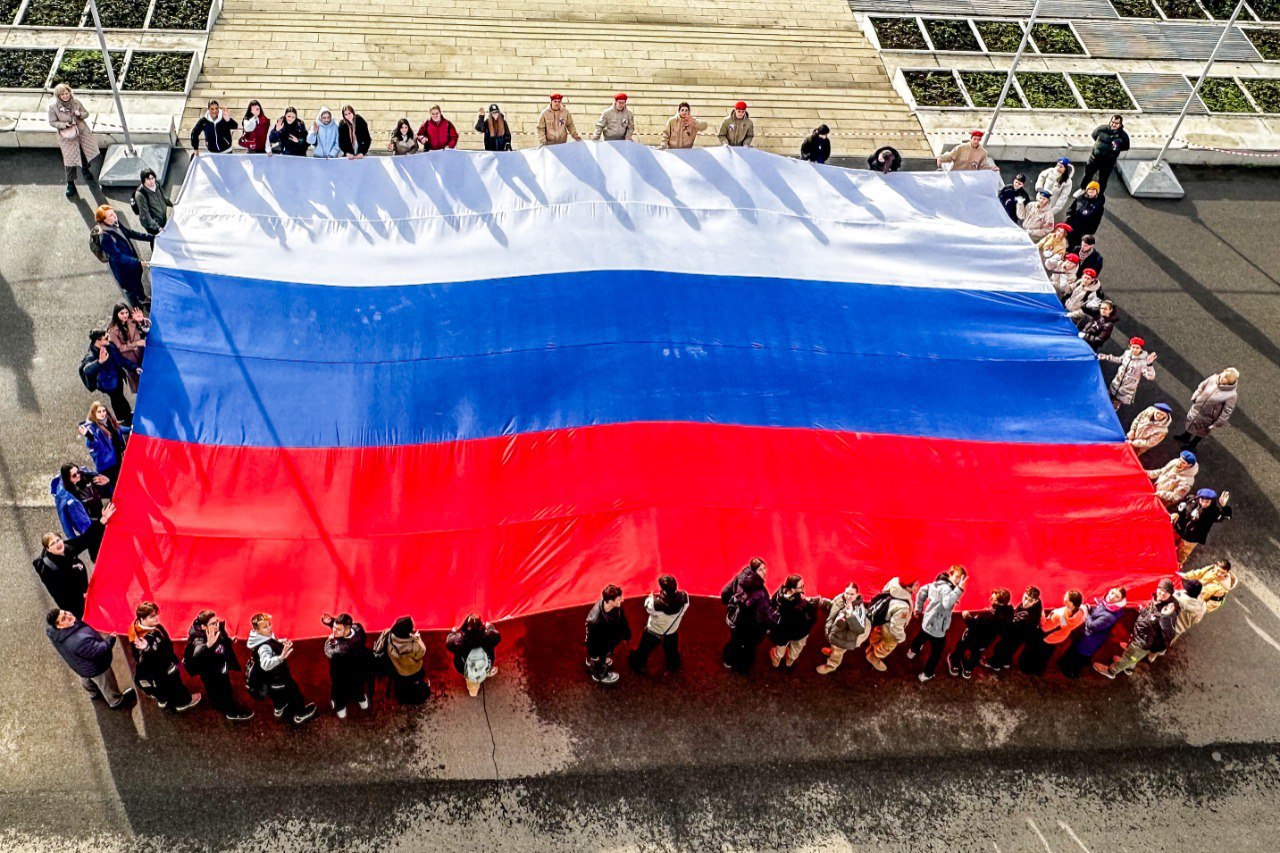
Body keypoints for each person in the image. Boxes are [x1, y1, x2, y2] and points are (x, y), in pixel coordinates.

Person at [46, 608, 134, 709]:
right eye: (64, 618)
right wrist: (111, 638)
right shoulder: (79, 640)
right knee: (107, 684)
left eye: (65, 612)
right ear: (59, 625)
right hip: (96, 668)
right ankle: (116, 701)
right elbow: (99, 650)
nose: (69, 616)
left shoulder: (52, 632)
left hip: (79, 665)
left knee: (86, 679)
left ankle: (93, 693)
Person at [32, 511, 108, 618]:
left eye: (58, 540)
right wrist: (81, 597)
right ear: (48, 549)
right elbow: (61, 594)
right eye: (52, 544)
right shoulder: (50, 569)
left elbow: (85, 540)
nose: (57, 544)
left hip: (85, 594)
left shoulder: (67, 548)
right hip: (74, 604)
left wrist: (101, 521)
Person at [1095, 579, 1177, 678]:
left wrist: (1165, 616)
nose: (1162, 593)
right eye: (1161, 589)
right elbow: (1151, 615)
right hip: (1139, 635)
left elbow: (1169, 634)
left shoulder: (1168, 612)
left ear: (1170, 594)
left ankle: (1111, 671)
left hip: (1143, 643)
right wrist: (1143, 611)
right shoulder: (1157, 599)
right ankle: (1129, 668)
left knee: (1129, 657)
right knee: (1132, 657)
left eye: (1166, 592)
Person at [245, 613, 317, 724]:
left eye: (269, 624)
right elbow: (265, 663)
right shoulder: (264, 646)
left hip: (269, 680)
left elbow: (270, 641)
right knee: (294, 693)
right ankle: (300, 714)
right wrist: (281, 657)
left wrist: (280, 642)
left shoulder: (261, 638)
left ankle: (278, 709)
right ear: (257, 630)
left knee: (276, 694)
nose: (269, 628)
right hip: (279, 677)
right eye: (265, 627)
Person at [129, 601, 200, 712]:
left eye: (157, 614)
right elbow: (147, 659)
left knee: (159, 688)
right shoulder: (144, 639)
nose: (157, 617)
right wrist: (147, 649)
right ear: (142, 618)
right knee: (175, 685)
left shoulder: (137, 628)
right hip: (164, 669)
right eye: (152, 616)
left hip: (157, 673)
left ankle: (162, 700)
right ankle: (183, 703)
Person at [183, 610, 253, 721]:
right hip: (212, 675)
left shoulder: (215, 630)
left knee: (224, 687)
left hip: (221, 668)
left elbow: (221, 641)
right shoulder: (199, 639)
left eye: (217, 622)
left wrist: (229, 641)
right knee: (220, 691)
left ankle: (218, 701)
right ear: (203, 627)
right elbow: (197, 653)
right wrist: (208, 646)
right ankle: (231, 712)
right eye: (213, 624)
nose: (217, 625)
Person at [907, 566, 967, 682]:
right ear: (951, 574)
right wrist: (959, 589)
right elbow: (946, 604)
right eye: (957, 577)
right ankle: (927, 674)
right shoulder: (948, 589)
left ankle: (912, 652)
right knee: (936, 653)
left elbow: (922, 591)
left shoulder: (936, 584)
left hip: (928, 621)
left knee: (921, 636)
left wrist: (918, 609)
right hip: (938, 628)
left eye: (961, 580)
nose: (959, 581)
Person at [720, 558, 778, 674]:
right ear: (754, 571)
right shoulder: (760, 591)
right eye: (761, 570)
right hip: (752, 624)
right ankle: (742, 667)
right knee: (749, 646)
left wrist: (729, 603)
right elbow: (766, 611)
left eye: (764, 568)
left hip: (736, 620)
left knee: (735, 641)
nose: (765, 572)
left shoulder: (739, 577)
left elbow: (725, 593)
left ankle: (728, 660)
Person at [92, 204, 154, 308]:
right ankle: (135, 307)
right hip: (123, 270)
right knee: (129, 289)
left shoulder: (115, 223)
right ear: (104, 221)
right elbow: (118, 257)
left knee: (138, 282)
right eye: (111, 215)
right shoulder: (105, 238)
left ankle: (142, 298)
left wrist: (150, 237)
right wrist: (138, 262)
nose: (115, 216)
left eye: (113, 213)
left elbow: (129, 233)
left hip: (132, 263)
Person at [1057, 587, 1127, 678]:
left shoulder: (1109, 615)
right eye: (1112, 592)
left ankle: (1070, 670)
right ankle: (1067, 665)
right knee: (1075, 653)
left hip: (1089, 640)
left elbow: (1092, 626)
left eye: (1117, 596)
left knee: (1077, 655)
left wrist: (1086, 613)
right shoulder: (1108, 604)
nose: (1112, 596)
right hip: (1087, 637)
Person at [945, 587, 1013, 679]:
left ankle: (954, 661)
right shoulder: (1009, 611)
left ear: (998, 603)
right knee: (976, 654)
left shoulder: (987, 616)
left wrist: (966, 616)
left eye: (993, 599)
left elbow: (974, 626)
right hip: (987, 641)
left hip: (973, 637)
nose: (990, 600)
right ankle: (968, 670)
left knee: (961, 647)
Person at [628, 575, 689, 674]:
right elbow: (684, 606)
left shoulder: (655, 604)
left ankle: (637, 664)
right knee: (672, 651)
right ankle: (673, 665)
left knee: (643, 650)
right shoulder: (684, 597)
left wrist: (651, 598)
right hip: (672, 631)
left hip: (653, 631)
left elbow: (648, 607)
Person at [48, 83, 99, 198]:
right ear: (58, 96)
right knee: (69, 161)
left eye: (66, 93)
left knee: (84, 153)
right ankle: (70, 184)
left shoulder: (76, 103)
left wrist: (79, 114)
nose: (65, 96)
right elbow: (52, 122)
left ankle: (85, 170)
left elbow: (86, 114)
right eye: (62, 94)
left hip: (81, 134)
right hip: (68, 137)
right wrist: (64, 125)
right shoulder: (54, 108)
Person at [1019, 590, 1085, 675]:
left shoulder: (1059, 615)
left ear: (1071, 603)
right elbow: (1065, 624)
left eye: (1066, 597)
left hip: (1048, 637)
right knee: (1046, 655)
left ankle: (1029, 669)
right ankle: (1039, 670)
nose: (1064, 597)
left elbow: (1045, 627)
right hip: (1059, 637)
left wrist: (1042, 614)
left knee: (1037, 654)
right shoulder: (1080, 614)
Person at [768, 575, 826, 669]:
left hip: (782, 632)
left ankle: (777, 660)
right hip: (799, 632)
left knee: (781, 647)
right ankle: (790, 661)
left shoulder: (780, 594)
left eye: (803, 585)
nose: (803, 589)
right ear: (792, 589)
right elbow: (809, 614)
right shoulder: (797, 604)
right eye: (800, 587)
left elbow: (771, 604)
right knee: (796, 648)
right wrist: (813, 603)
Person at [320, 612, 372, 717]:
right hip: (359, 667)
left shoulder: (341, 648)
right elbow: (342, 628)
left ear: (347, 629)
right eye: (334, 627)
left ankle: (340, 707)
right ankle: (362, 701)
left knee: (338, 689)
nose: (334, 631)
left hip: (341, 672)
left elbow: (329, 652)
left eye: (338, 629)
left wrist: (330, 641)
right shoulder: (358, 628)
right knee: (358, 686)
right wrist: (332, 621)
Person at [1173, 368, 1239, 449]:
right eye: (1222, 374)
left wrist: (1217, 423)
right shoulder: (1214, 378)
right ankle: (1185, 437)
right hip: (1197, 408)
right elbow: (1202, 386)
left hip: (1208, 417)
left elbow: (1227, 411)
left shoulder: (1231, 395)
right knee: (1191, 422)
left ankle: (1192, 445)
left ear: (1229, 381)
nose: (1221, 377)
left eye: (1225, 378)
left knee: (1201, 431)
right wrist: (1195, 397)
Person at [864, 577, 918, 672]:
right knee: (887, 645)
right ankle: (874, 656)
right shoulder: (903, 607)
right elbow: (895, 627)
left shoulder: (895, 581)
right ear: (907, 588)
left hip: (882, 617)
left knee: (877, 634)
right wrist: (900, 637)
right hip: (889, 629)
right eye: (915, 585)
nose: (918, 586)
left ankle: (872, 646)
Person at [815, 582, 870, 675]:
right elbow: (833, 606)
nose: (848, 596)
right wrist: (823, 602)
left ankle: (831, 665)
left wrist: (850, 615)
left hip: (846, 638)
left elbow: (859, 629)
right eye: (847, 593)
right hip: (837, 633)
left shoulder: (859, 609)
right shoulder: (840, 598)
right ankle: (832, 651)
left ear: (857, 594)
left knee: (838, 651)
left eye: (852, 594)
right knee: (834, 646)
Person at [80, 330, 134, 424]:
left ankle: (126, 415)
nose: (109, 339)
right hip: (108, 384)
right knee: (117, 399)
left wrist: (134, 367)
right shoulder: (91, 355)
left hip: (117, 377)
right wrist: (99, 362)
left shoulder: (109, 345)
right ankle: (123, 419)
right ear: (98, 340)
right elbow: (87, 370)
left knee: (120, 398)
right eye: (106, 338)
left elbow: (120, 359)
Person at [50, 464, 109, 548]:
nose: (78, 475)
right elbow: (64, 521)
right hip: (86, 527)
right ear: (68, 479)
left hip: (99, 514)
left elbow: (106, 490)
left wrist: (106, 482)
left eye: (78, 472)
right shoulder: (63, 496)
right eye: (74, 475)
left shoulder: (86, 475)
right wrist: (73, 542)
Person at [984, 586, 1042, 671]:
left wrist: (1000, 615)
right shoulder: (1037, 604)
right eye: (1025, 598)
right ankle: (1006, 663)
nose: (1026, 602)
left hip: (1016, 634)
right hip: (1021, 635)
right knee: (1010, 651)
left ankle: (995, 665)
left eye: (1030, 601)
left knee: (1000, 648)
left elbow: (1011, 624)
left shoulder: (1028, 616)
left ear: (1035, 600)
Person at [374, 616, 430, 703]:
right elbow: (421, 653)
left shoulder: (387, 635)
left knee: (401, 684)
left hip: (397, 668)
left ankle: (401, 697)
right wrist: (418, 639)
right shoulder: (413, 644)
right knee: (417, 679)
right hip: (413, 670)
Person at [1172, 489, 1232, 566]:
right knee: (1169, 546)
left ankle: (1174, 569)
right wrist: (1177, 512)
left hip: (1191, 539)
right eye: (1202, 500)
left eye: (1207, 502)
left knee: (1181, 556)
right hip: (1178, 529)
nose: (1204, 503)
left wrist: (1224, 506)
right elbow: (1179, 507)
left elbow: (1227, 516)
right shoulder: (1191, 499)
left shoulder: (1214, 512)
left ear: (1211, 501)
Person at [445, 615, 502, 696]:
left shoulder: (458, 642)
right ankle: (485, 672)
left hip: (465, 669)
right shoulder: (489, 637)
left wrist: (453, 632)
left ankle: (473, 692)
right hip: (487, 663)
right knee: (483, 670)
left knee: (472, 681)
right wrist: (490, 627)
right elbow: (496, 636)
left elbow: (449, 643)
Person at [585, 585, 631, 684]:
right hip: (602, 644)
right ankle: (601, 675)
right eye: (619, 599)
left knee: (602, 656)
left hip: (608, 640)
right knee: (600, 658)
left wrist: (625, 635)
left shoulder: (615, 608)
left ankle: (597, 661)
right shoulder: (595, 620)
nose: (622, 600)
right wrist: (594, 654)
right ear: (610, 601)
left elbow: (622, 622)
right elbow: (591, 639)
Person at [1099, 337, 1157, 411]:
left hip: (1124, 392)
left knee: (1112, 409)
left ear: (1141, 349)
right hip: (1115, 385)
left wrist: (1149, 365)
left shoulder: (1143, 361)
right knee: (1103, 401)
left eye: (1137, 348)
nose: (1135, 349)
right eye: (1133, 347)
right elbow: (1119, 359)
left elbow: (1151, 376)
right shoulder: (1127, 353)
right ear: (1130, 347)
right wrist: (1106, 357)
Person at [79, 401, 128, 483]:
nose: (102, 413)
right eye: (99, 411)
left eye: (104, 411)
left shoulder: (109, 421)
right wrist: (89, 436)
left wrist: (132, 429)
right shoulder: (93, 428)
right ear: (94, 413)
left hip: (118, 456)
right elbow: (93, 444)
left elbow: (119, 429)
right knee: (116, 484)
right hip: (108, 464)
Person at [1082, 115, 1130, 193]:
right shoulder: (1102, 129)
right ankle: (1083, 188)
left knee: (1103, 179)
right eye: (1112, 122)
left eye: (1116, 123)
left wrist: (1112, 151)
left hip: (1108, 163)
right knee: (1087, 175)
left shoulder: (1123, 136)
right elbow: (1094, 135)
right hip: (1094, 159)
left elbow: (1125, 147)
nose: (1113, 124)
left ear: (1120, 124)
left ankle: (1099, 194)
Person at [106, 302, 147, 371]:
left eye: (126, 312)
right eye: (122, 313)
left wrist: (142, 321)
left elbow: (145, 330)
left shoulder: (132, 320)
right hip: (130, 358)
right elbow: (119, 348)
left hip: (141, 352)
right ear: (116, 314)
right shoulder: (112, 331)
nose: (125, 315)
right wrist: (136, 344)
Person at [1064, 183, 1105, 250]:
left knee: (1075, 246)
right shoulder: (1079, 199)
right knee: (1065, 241)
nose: (1091, 191)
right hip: (1072, 225)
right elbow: (1071, 209)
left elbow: (1097, 220)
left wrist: (1090, 231)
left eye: (1094, 189)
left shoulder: (1099, 206)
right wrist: (1069, 217)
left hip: (1083, 230)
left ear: (1097, 192)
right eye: (1090, 189)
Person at [1167, 578, 1206, 648]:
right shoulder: (1203, 606)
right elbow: (1196, 621)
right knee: (1168, 642)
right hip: (1180, 629)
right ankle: (1156, 655)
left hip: (1170, 625)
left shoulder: (1177, 598)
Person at [132, 168, 172, 235]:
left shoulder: (157, 184)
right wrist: (158, 228)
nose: (151, 181)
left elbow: (163, 198)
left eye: (152, 178)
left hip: (162, 218)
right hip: (152, 225)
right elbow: (145, 215)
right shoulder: (140, 194)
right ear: (143, 180)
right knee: (156, 239)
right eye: (148, 179)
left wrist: (173, 204)